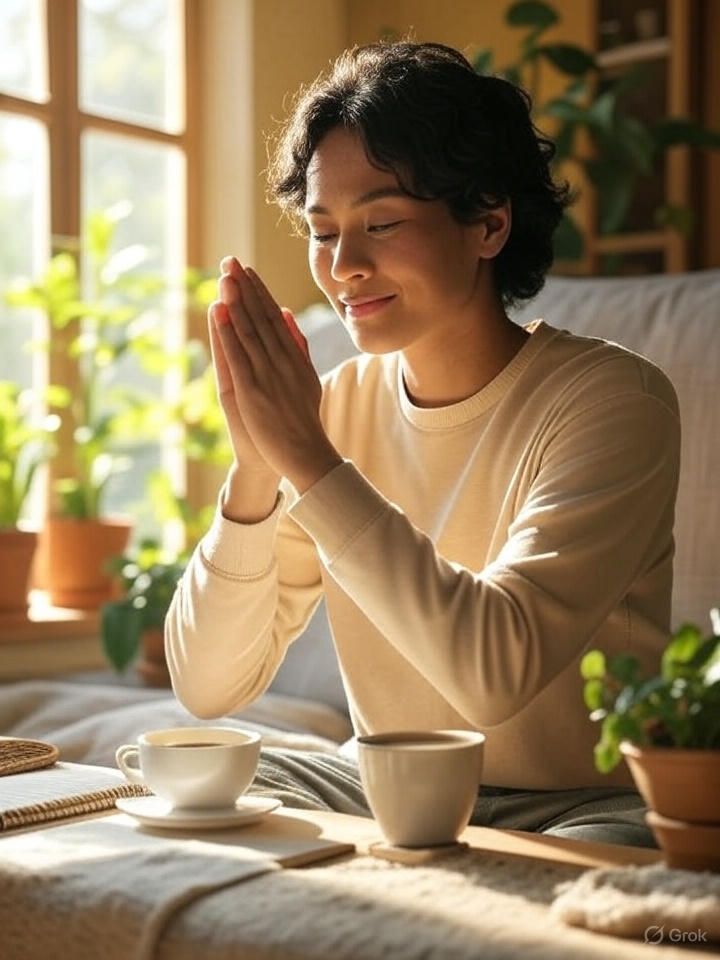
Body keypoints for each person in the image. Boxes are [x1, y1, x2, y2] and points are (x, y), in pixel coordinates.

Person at [165, 40, 681, 846]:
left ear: (488, 223)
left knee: (580, 886)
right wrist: (258, 467)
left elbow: (493, 673)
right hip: (388, 787)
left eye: (382, 223)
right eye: (322, 230)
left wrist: (309, 460)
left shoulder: (614, 401)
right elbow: (207, 685)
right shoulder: (334, 413)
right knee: (185, 781)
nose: (343, 267)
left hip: (581, 805)